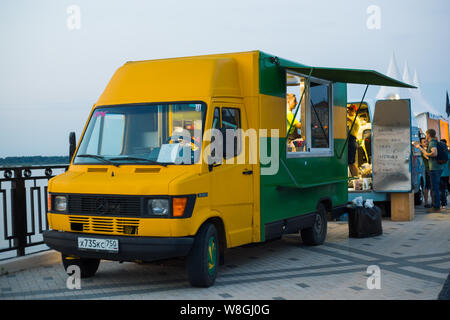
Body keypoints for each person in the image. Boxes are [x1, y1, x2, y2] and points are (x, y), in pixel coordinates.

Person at [416, 129, 443, 213]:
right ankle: (436, 205)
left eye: (426, 135)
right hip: (436, 168)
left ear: (428, 134)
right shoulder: (434, 142)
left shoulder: (432, 142)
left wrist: (426, 153)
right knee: (434, 188)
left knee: (434, 189)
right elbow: (430, 157)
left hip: (433, 169)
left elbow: (434, 153)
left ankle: (436, 207)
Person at [347, 104, 360, 177]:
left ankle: (356, 179)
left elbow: (347, 118)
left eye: (350, 109)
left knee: (351, 162)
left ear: (354, 111)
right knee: (349, 162)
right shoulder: (352, 119)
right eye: (348, 109)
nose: (348, 110)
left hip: (352, 141)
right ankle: (354, 178)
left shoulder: (355, 119)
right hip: (350, 140)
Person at [420, 138, 432, 208]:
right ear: (421, 144)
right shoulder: (423, 151)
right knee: (427, 187)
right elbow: (428, 157)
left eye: (427, 141)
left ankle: (429, 202)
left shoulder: (427, 149)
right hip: (427, 170)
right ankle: (426, 203)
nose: (426, 143)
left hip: (429, 169)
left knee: (429, 187)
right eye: (424, 142)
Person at [439, 139, 450, 209]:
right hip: (445, 174)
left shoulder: (439, 153)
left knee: (442, 189)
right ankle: (443, 203)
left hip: (442, 174)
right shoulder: (448, 153)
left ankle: (443, 203)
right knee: (443, 189)